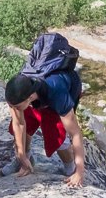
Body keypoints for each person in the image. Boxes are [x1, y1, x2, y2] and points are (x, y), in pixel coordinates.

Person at [6, 30, 87, 187]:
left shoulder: (56, 91)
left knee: (55, 136)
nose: (13, 108)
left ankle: (69, 166)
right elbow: (19, 124)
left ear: (29, 98)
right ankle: (28, 159)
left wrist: (80, 171)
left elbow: (75, 133)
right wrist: (21, 156)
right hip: (38, 96)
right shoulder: (19, 88)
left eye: (15, 106)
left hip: (63, 92)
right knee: (28, 121)